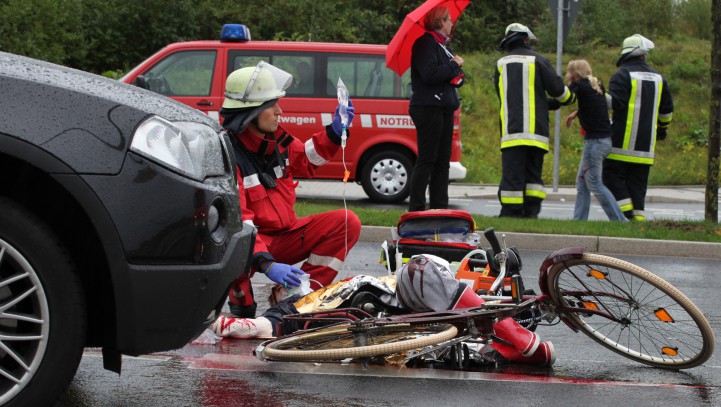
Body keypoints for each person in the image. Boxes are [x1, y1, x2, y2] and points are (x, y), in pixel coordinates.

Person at [212, 254, 555, 367]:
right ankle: (259, 324)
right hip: (387, 299)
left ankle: (259, 324)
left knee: (307, 311)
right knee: (310, 310)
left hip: (398, 310)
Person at [220, 61, 361, 317]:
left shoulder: (276, 141)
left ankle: (301, 295)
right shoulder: (228, 156)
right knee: (244, 308)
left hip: (283, 237)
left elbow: (306, 160)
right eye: (271, 105)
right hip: (247, 244)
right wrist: (267, 264)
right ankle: (240, 301)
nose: (279, 111)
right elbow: (239, 226)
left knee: (345, 222)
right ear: (251, 113)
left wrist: (333, 132)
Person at [493, 23, 576, 218]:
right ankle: (530, 213)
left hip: (511, 132)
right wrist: (571, 97)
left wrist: (543, 102)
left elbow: (506, 96)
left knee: (512, 178)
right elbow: (559, 92)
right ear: (526, 39)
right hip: (536, 134)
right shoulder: (539, 61)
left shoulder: (501, 64)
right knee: (533, 178)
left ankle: (510, 214)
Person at [604, 34, 674, 221]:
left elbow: (615, 104)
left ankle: (624, 216)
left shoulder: (622, 75)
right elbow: (666, 112)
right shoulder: (660, 79)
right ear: (643, 55)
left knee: (610, 177)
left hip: (620, 146)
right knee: (637, 187)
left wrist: (599, 94)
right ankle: (638, 223)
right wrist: (661, 130)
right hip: (645, 149)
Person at [407, 5, 465, 212]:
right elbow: (429, 74)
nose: (452, 23)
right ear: (440, 21)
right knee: (427, 159)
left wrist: (457, 74)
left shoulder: (443, 47)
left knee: (443, 161)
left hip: (444, 107)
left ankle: (440, 208)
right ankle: (417, 209)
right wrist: (453, 65)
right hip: (428, 107)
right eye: (449, 19)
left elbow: (445, 75)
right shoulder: (425, 44)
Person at [564, 60, 627, 222]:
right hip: (602, 141)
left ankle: (620, 221)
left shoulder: (579, 86)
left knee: (595, 183)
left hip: (595, 143)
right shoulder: (594, 86)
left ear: (575, 74)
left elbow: (564, 96)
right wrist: (577, 112)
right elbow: (594, 105)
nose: (567, 76)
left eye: (569, 72)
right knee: (582, 183)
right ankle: (579, 221)